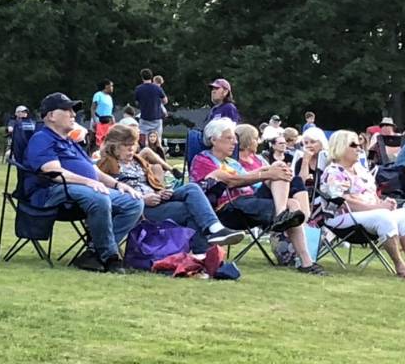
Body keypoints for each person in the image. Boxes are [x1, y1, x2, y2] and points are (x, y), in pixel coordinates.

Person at [23, 92, 144, 274]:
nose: (73, 115)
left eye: (73, 111)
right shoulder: (42, 138)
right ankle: (111, 257)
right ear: (51, 116)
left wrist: (119, 185)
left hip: (83, 191)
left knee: (134, 202)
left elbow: (94, 170)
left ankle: (94, 253)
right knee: (99, 197)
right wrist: (88, 182)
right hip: (52, 192)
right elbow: (53, 172)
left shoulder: (70, 142)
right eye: (67, 110)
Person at [190, 118, 326, 275]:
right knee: (289, 201)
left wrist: (273, 169)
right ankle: (284, 219)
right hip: (227, 207)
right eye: (229, 138)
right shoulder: (203, 160)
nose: (234, 142)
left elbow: (247, 176)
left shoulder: (232, 163)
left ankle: (305, 259)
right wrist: (266, 174)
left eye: (235, 138)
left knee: (284, 181)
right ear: (213, 139)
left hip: (249, 200)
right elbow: (233, 181)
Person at [97, 125, 245, 253]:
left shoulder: (137, 161)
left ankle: (215, 228)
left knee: (192, 188)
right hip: (139, 208)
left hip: (157, 199)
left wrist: (160, 192)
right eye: (126, 145)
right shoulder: (105, 165)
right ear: (114, 146)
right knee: (191, 211)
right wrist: (143, 199)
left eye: (133, 144)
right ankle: (202, 255)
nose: (131, 149)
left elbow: (151, 183)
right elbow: (111, 194)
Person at [321, 130, 405, 280]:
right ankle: (400, 266)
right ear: (340, 147)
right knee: (383, 216)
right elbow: (343, 203)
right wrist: (377, 208)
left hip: (369, 215)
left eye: (359, 144)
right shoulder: (333, 172)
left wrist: (383, 202)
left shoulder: (361, 171)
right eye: (353, 145)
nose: (359, 148)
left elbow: (371, 195)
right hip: (342, 218)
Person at [134, 68, 167, 146]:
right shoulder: (157, 88)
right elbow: (165, 100)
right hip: (157, 117)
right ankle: (158, 155)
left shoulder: (138, 89)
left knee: (143, 139)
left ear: (142, 77)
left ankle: (144, 154)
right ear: (151, 77)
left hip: (144, 117)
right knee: (157, 139)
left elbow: (136, 102)